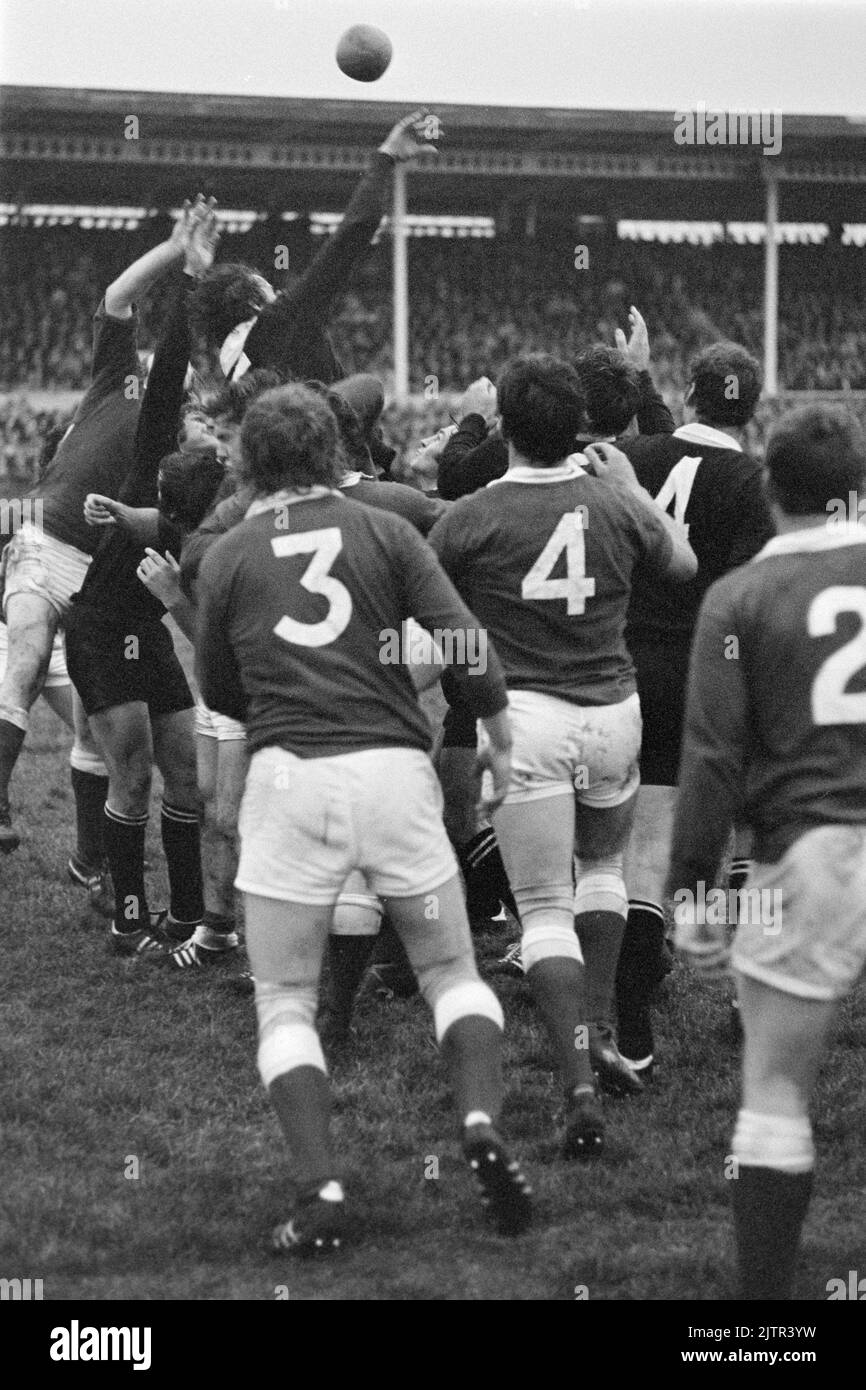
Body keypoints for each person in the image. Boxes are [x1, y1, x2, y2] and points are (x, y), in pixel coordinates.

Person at [195, 382, 532, 1252]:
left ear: (250, 460)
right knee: (453, 972)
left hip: (288, 780)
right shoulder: (385, 529)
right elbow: (465, 644)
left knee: (283, 1002)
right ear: (333, 451)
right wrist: (497, 734)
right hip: (391, 771)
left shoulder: (231, 554)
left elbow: (222, 690)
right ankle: (481, 1125)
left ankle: (320, 1191)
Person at [429, 354, 697, 1150]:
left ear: (506, 426)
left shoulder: (473, 513)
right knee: (606, 873)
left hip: (527, 718)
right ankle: (608, 1028)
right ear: (577, 423)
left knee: (544, 906)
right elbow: (682, 567)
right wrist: (633, 493)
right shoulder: (616, 500)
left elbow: (425, 608)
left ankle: (577, 1082)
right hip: (615, 710)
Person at [667, 403, 866, 1300]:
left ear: (769, 486)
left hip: (814, 853)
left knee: (776, 1091)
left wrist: (692, 900)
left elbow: (710, 764)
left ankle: (765, 1333)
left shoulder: (740, 598)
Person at [0, 205, 202, 855]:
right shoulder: (121, 380)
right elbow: (117, 297)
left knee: (94, 728)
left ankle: (91, 861)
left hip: (103, 581)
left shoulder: (181, 439)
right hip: (49, 536)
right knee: (26, 650)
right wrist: (175, 251)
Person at [65, 199, 226, 958]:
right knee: (131, 774)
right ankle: (130, 918)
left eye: (205, 410)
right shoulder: (159, 453)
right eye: (193, 409)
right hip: (100, 626)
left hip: (146, 628)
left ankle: (188, 916)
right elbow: (167, 373)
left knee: (185, 774)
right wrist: (191, 278)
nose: (200, 413)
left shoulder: (225, 480)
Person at [616, 341, 774, 1075]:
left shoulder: (637, 455)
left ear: (691, 393)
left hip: (627, 661)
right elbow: (742, 589)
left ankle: (633, 992)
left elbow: (659, 455)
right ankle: (747, 989)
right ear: (754, 407)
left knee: (642, 842)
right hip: (708, 667)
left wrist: (643, 378)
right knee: (745, 832)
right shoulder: (751, 480)